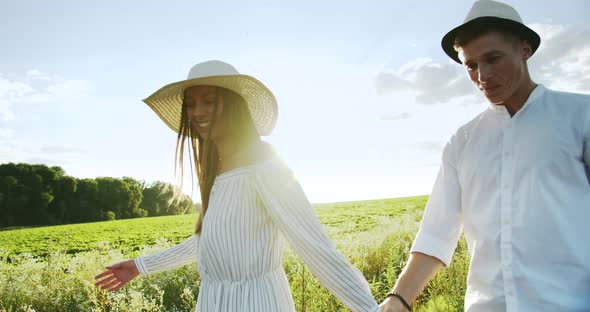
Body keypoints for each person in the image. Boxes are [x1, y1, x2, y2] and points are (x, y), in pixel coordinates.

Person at [94, 60, 380, 312]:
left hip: (257, 301)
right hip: (213, 301)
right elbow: (211, 240)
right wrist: (141, 266)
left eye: (208, 100)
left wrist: (369, 309)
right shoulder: (215, 169)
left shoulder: (264, 163)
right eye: (191, 104)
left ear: (233, 104)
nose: (197, 111)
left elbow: (313, 245)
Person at [379, 1, 590, 311]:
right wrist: (397, 300)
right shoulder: (462, 141)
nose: (482, 75)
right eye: (471, 65)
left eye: (493, 59)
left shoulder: (580, 116)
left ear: (524, 49)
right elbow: (437, 234)